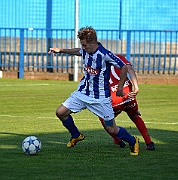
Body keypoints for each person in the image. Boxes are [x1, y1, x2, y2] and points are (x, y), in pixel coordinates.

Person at [48, 26, 139, 155]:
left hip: (100, 98)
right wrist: (60, 50)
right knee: (61, 112)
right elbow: (78, 51)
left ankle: (132, 140)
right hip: (83, 93)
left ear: (93, 43)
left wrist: (119, 87)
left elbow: (123, 67)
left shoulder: (105, 54)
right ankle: (76, 135)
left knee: (112, 129)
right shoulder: (86, 50)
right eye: (82, 45)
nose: (83, 48)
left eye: (85, 45)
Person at [99, 54, 155, 150]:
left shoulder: (95, 62)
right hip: (128, 93)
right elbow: (130, 69)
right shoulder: (118, 56)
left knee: (104, 119)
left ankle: (118, 140)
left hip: (114, 97)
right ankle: (149, 143)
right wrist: (136, 87)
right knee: (134, 115)